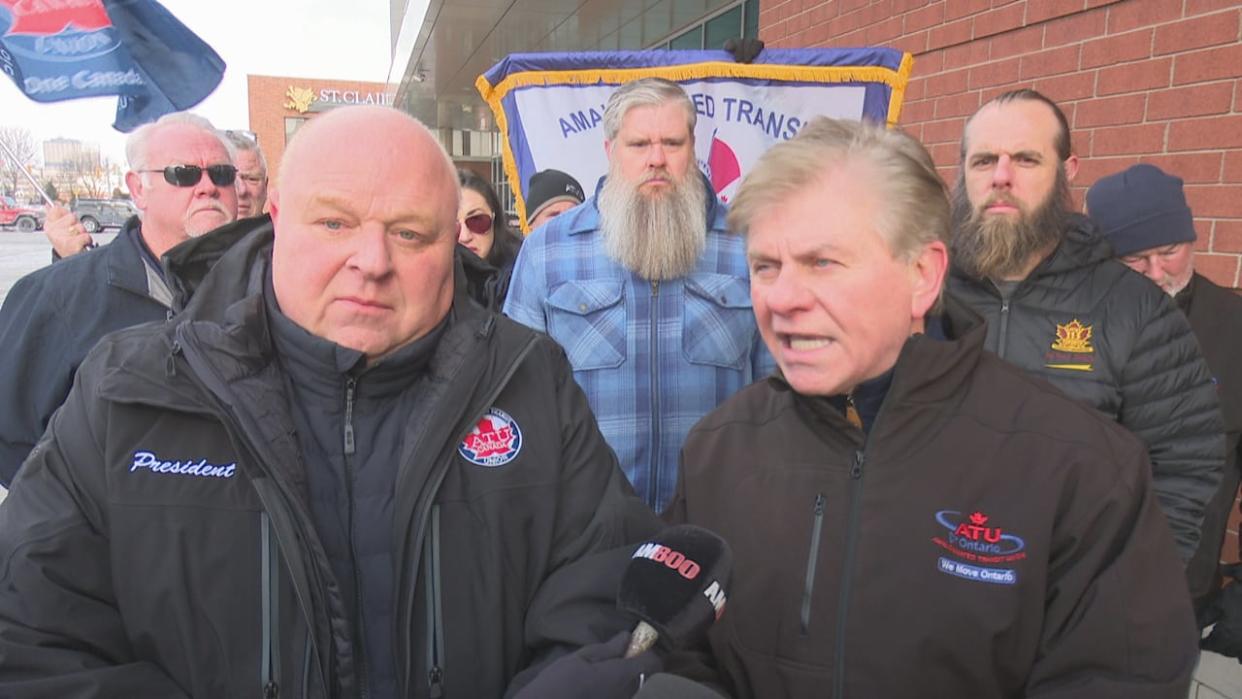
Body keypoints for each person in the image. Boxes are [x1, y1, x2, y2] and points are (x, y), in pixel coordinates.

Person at [0, 105, 663, 699]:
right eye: (335, 222)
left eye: (409, 233)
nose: (370, 260)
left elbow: (600, 598)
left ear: (452, 242)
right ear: (279, 217)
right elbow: (31, 634)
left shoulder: (528, 380)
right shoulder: (130, 391)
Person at [665, 116, 1198, 698]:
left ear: (923, 275)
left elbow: (1118, 680)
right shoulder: (718, 449)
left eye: (822, 262)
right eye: (766, 266)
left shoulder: (1078, 466)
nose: (783, 298)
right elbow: (675, 646)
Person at [946, 89, 1223, 560]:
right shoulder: (918, 292)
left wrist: (1125, 593)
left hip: (1066, 598)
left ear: (1067, 170)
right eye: (984, 160)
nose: (1001, 177)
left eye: (1027, 160)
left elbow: (1184, 464)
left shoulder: (1134, 308)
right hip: (927, 584)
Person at [504, 78, 772, 512]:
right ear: (611, 151)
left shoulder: (748, 245)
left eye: (672, 142)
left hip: (720, 514)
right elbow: (518, 399)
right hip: (587, 522)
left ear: (693, 145)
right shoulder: (547, 252)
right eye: (639, 144)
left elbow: (775, 391)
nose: (657, 159)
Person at [0, 112, 238, 486]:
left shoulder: (275, 290)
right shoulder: (56, 297)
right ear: (138, 188)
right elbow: (13, 443)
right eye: (184, 173)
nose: (207, 186)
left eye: (222, 174)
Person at [1088, 163, 1242, 642]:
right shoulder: (1069, 328)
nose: (1156, 273)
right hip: (1075, 589)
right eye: (1133, 259)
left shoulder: (1234, 328)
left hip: (1180, 591)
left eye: (1170, 251)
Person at [456, 168, 522, 309]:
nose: (465, 237)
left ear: (494, 218)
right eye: (452, 225)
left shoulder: (523, 272)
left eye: (477, 220)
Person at [226, 130, 269, 218]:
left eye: (251, 179)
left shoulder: (284, 231)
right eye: (229, 177)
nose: (242, 191)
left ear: (266, 186)